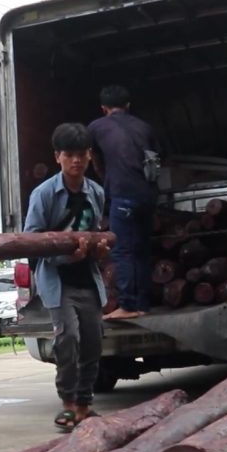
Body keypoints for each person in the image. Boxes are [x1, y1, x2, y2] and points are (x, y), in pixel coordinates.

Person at [23, 123, 110, 431]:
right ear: (57, 156)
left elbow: (98, 233)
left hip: (88, 279)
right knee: (68, 338)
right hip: (57, 280)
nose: (76, 161)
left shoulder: (96, 192)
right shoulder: (44, 194)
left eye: (81, 155)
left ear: (89, 156)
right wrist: (64, 253)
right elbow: (31, 239)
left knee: (92, 342)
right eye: (69, 155)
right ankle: (69, 404)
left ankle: (85, 405)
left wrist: (96, 249)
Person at [88, 85, 159, 320]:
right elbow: (158, 158)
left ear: (103, 109)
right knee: (141, 249)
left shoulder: (97, 126)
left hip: (122, 196)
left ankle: (128, 305)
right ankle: (142, 304)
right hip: (148, 195)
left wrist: (103, 177)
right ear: (128, 106)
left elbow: (90, 154)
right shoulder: (144, 127)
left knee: (123, 251)